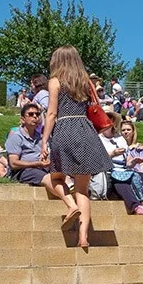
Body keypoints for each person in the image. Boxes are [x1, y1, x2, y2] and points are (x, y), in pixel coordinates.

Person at [43, 46, 113, 250]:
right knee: (82, 189)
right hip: (86, 130)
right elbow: (96, 106)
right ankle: (83, 238)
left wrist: (44, 140)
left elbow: (51, 114)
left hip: (64, 129)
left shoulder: (55, 82)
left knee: (54, 178)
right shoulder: (86, 82)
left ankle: (70, 205)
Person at [100, 114, 143, 214]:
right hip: (108, 171)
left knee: (141, 176)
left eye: (110, 119)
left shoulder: (120, 139)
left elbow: (127, 162)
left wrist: (134, 161)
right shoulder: (98, 139)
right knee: (119, 180)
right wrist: (112, 154)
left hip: (123, 169)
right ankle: (136, 206)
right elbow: (96, 159)